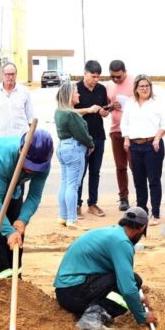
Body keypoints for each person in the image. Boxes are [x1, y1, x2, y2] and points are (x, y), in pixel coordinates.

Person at [54, 207, 158, 330]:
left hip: (67, 291)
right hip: (73, 293)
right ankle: (92, 318)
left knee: (129, 282)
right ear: (142, 228)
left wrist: (135, 300)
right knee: (134, 281)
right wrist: (142, 316)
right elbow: (127, 288)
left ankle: (92, 311)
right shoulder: (122, 242)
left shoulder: (113, 233)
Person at [0, 130, 52, 281]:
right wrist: (7, 231)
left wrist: (22, 220)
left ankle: (15, 279)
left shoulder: (43, 162)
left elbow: (34, 196)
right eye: (28, 165)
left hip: (13, 187)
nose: (31, 170)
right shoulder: (4, 158)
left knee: (17, 232)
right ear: (21, 150)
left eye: (35, 168)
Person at [121, 75, 165, 226]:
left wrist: (157, 138)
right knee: (139, 181)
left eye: (147, 86)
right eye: (141, 86)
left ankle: (156, 213)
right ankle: (142, 213)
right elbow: (125, 123)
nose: (145, 88)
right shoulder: (130, 104)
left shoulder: (157, 103)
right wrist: (127, 139)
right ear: (136, 88)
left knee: (154, 180)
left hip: (152, 145)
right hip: (135, 146)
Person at [55, 82, 95, 231]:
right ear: (69, 95)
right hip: (73, 149)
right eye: (76, 92)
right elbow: (82, 135)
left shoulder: (59, 111)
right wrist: (91, 144)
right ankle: (72, 219)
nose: (79, 94)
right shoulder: (71, 114)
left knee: (65, 183)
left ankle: (63, 216)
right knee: (73, 185)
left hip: (62, 147)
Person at [73, 60, 110, 218]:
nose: (96, 79)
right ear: (85, 74)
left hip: (98, 136)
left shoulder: (101, 89)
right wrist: (88, 110)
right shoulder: (75, 89)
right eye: (93, 76)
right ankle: (76, 204)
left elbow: (105, 110)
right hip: (80, 137)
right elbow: (69, 112)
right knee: (79, 172)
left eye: (98, 77)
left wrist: (104, 111)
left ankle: (92, 203)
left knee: (95, 171)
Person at [105, 60, 135, 211]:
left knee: (135, 166)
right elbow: (104, 109)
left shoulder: (136, 82)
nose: (116, 80)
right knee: (120, 167)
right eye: (113, 77)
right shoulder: (109, 86)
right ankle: (123, 198)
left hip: (133, 131)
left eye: (119, 77)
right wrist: (111, 107)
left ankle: (141, 198)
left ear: (125, 71)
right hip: (115, 131)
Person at [0, 62, 34, 137]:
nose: (10, 77)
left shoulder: (24, 91)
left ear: (16, 74)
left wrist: (30, 137)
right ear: (2, 75)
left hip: (21, 137)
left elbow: (30, 116)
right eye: (7, 74)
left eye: (13, 74)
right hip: (1, 137)